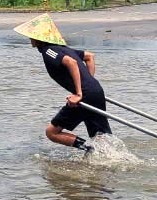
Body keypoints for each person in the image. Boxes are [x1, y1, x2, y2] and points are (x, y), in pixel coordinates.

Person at [14, 13, 110, 153]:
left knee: (51, 132)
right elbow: (90, 56)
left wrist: (79, 93)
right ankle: (106, 158)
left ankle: (89, 149)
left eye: (32, 36)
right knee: (99, 135)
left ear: (39, 38)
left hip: (85, 95)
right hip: (96, 91)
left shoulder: (49, 51)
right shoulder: (65, 48)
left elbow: (70, 63)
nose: (30, 39)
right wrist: (89, 82)